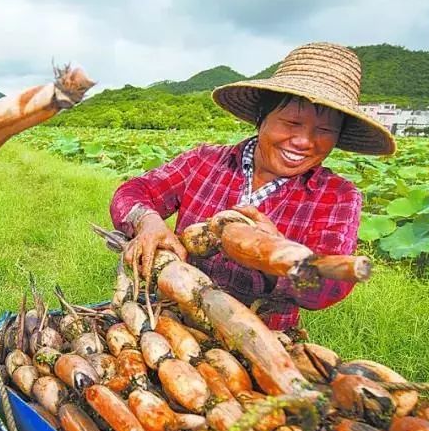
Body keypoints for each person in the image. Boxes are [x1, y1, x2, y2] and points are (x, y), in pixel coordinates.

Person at [111, 42, 395, 331]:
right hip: (167, 322)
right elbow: (132, 192)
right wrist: (146, 221)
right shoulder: (204, 161)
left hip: (262, 341)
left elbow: (328, 289)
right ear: (262, 118)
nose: (304, 141)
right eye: (291, 122)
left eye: (324, 130)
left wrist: (274, 256)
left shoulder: (338, 196)